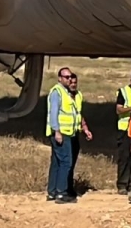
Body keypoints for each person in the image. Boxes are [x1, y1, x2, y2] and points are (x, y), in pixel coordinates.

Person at [45, 66, 76, 203]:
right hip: (62, 133)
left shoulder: (65, 92)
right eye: (66, 77)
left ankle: (52, 192)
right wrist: (57, 131)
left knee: (57, 163)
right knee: (66, 162)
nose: (69, 79)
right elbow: (53, 113)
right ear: (60, 78)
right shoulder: (57, 92)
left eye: (70, 77)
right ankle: (61, 193)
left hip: (66, 131)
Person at [65, 73, 92, 198]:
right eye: (71, 82)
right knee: (67, 163)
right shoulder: (63, 96)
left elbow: (79, 114)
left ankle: (70, 188)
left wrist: (85, 129)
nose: (73, 85)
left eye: (75, 82)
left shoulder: (79, 96)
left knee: (73, 162)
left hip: (75, 133)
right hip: (65, 133)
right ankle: (64, 188)